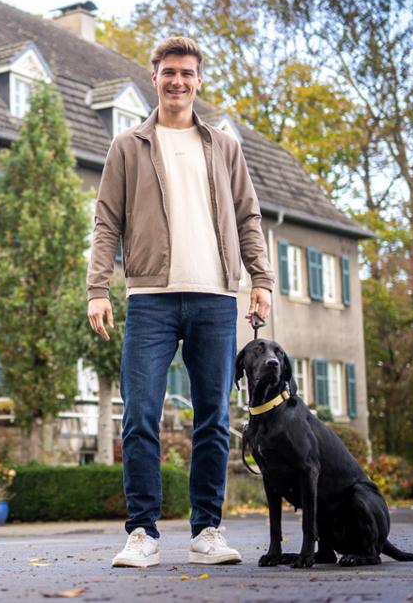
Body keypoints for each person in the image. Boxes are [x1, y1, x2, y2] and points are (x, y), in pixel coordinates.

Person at [87, 36, 274, 567]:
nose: (178, 81)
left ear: (198, 80)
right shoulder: (127, 146)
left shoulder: (223, 146)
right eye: (169, 72)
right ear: (155, 77)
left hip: (216, 297)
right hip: (150, 298)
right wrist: (97, 289)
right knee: (141, 415)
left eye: (187, 73)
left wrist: (261, 279)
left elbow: (248, 216)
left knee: (213, 418)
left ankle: (206, 531)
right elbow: (106, 222)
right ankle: (142, 533)